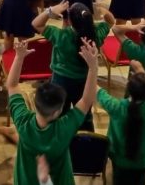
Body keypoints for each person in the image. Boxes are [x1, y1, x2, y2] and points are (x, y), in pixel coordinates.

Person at [7, 38, 100, 185]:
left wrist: (19, 57)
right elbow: (86, 100)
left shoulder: (23, 122)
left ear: (35, 104)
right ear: (58, 112)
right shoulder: (64, 128)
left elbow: (12, 86)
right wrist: (93, 67)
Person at [31, 1, 112, 130]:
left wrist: (50, 10)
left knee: (60, 112)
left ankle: (61, 138)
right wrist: (104, 11)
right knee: (84, 113)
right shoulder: (96, 35)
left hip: (60, 81)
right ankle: (87, 139)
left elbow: (36, 24)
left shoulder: (62, 36)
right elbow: (110, 21)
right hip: (84, 82)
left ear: (69, 21)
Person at [97, 59, 145, 185]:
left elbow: (95, 88)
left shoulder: (115, 106)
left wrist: (92, 67)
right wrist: (143, 73)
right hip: (143, 162)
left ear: (128, 88)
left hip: (119, 161)